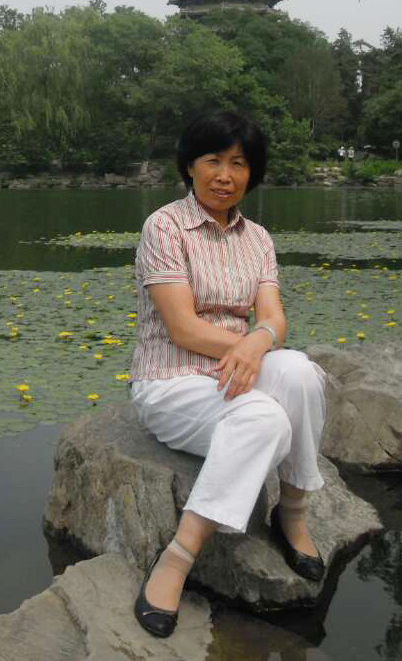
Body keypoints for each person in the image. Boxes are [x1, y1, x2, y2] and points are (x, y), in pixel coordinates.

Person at [129, 112, 326, 639]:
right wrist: (250, 344)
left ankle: (292, 511)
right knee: (266, 419)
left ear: (251, 173)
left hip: (237, 366)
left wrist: (259, 342)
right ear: (189, 167)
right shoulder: (164, 227)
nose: (224, 175)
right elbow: (182, 328)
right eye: (212, 161)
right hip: (172, 380)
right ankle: (177, 556)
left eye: (238, 163)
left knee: (302, 373)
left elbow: (273, 317)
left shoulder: (257, 237)